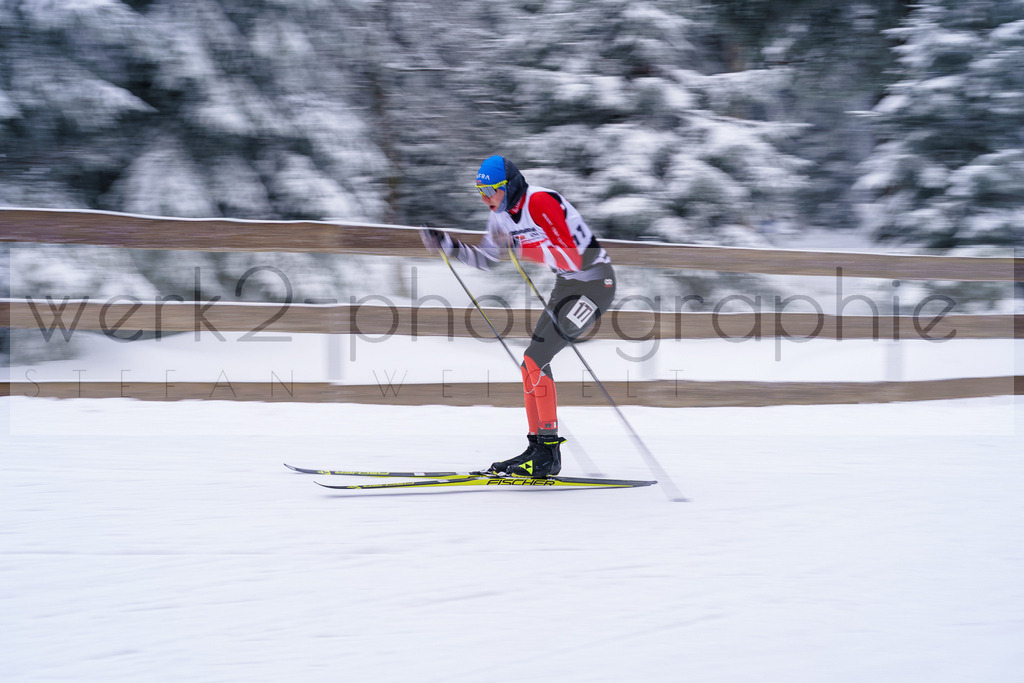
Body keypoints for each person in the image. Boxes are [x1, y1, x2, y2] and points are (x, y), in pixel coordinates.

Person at [420, 155, 615, 477]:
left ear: (508, 187)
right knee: (530, 361)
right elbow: (487, 258)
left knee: (537, 357)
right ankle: (538, 447)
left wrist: (519, 246)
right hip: (566, 285)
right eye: (479, 192)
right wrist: (449, 245)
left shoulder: (540, 201)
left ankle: (548, 453)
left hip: (595, 284)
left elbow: (574, 257)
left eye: (490, 191)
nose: (485, 199)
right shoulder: (500, 216)